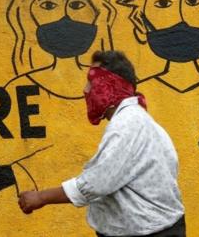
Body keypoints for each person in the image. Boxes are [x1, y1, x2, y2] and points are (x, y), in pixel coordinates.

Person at [17, 50, 185, 236]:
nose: (86, 90)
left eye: (92, 82)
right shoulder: (140, 120)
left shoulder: (127, 124)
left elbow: (97, 182)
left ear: (111, 86)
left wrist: (40, 197)